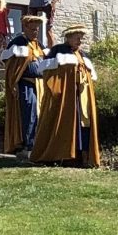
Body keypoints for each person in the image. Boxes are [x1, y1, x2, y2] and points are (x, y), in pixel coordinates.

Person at [31, 24, 99, 167]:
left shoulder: (83, 55)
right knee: (65, 123)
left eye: (81, 38)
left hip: (81, 97)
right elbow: (45, 69)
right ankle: (64, 155)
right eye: (77, 38)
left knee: (83, 125)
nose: (80, 41)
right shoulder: (57, 51)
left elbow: (90, 76)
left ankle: (82, 156)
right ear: (68, 38)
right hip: (64, 97)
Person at [1, 13, 46, 155]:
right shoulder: (17, 42)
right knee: (29, 112)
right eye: (33, 29)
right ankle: (28, 144)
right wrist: (13, 82)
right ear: (25, 28)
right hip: (25, 84)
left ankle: (38, 142)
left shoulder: (39, 45)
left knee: (39, 113)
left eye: (37, 30)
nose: (35, 32)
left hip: (39, 84)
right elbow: (11, 64)